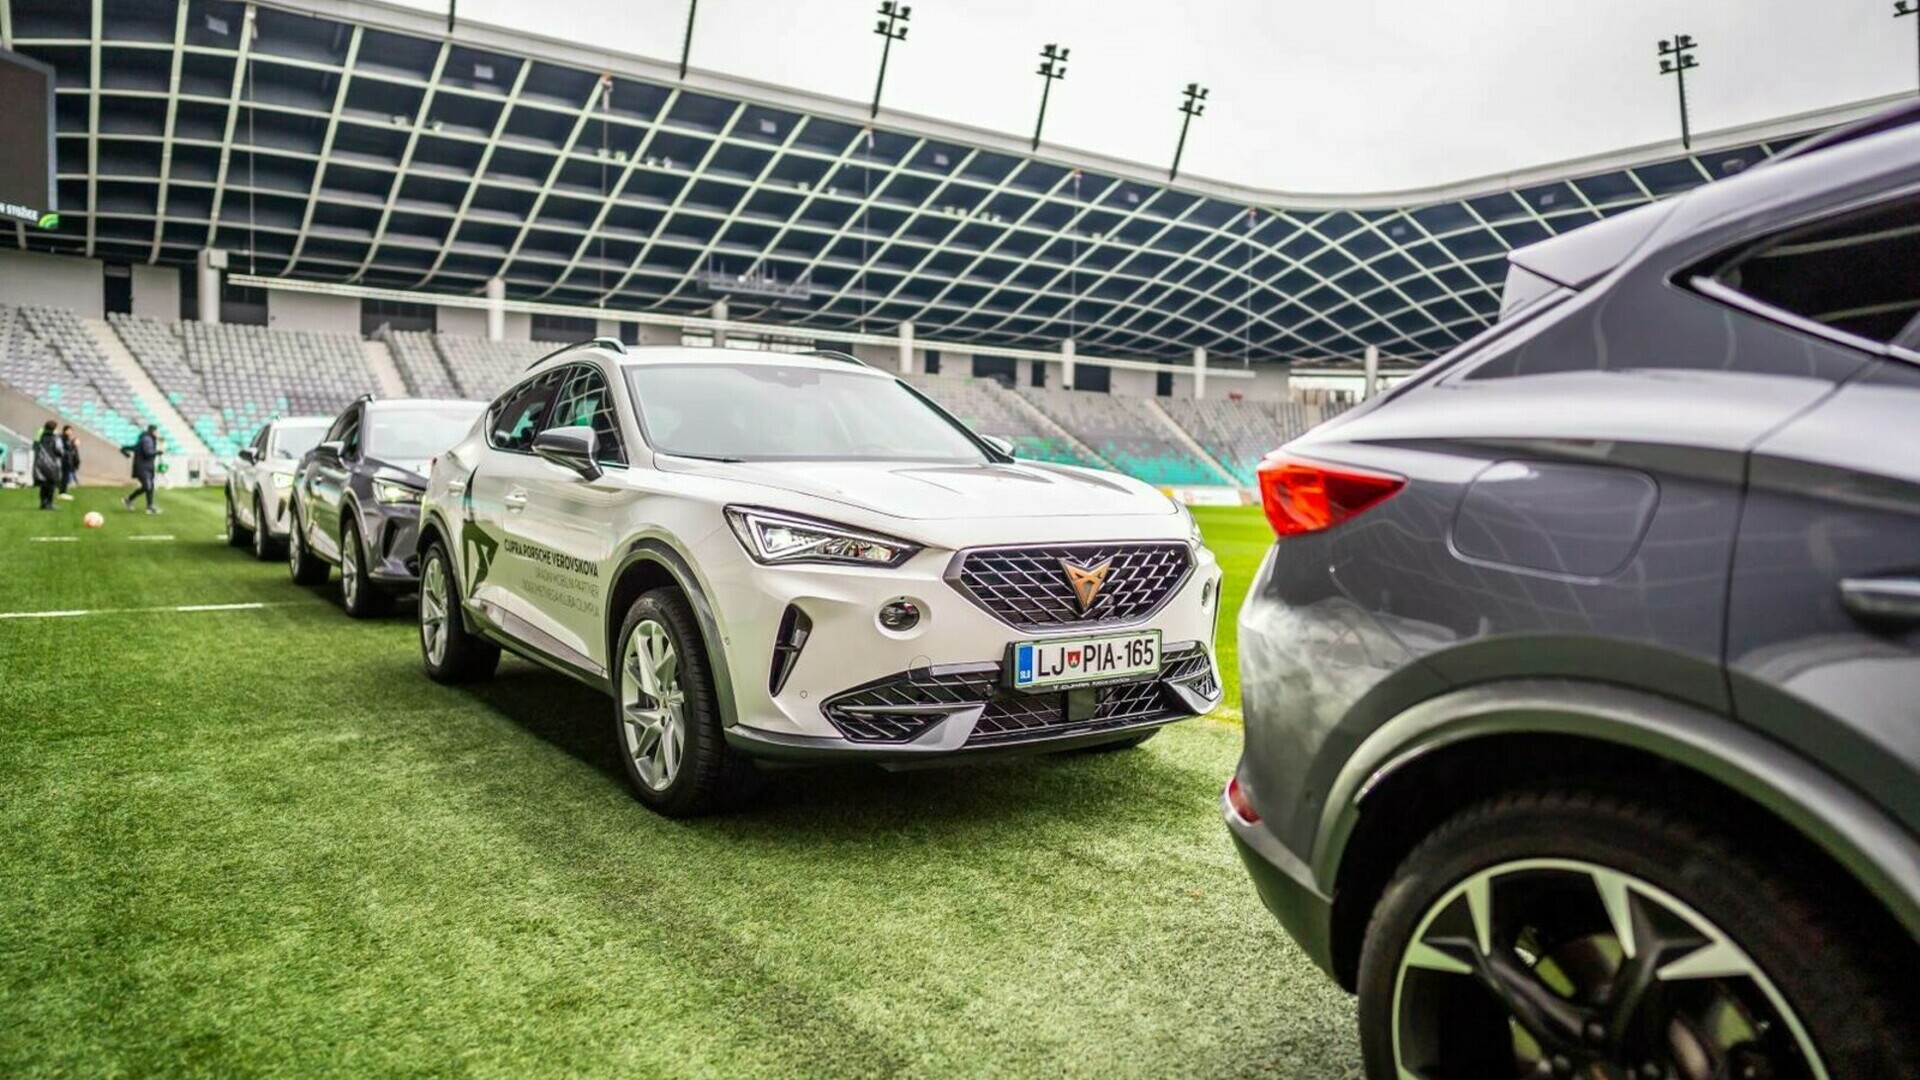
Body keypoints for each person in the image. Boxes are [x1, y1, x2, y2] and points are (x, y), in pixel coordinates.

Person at [121, 424, 162, 515]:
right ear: (153, 431)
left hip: (146, 467)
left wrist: (124, 450)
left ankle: (129, 500)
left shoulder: (146, 439)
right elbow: (147, 453)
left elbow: (134, 448)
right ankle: (150, 507)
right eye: (157, 431)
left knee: (147, 486)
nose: (158, 433)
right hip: (143, 467)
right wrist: (158, 452)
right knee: (148, 486)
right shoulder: (147, 440)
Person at [32, 421, 62, 511]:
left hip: (40, 463)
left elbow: (34, 447)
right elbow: (59, 450)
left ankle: (43, 502)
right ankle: (49, 503)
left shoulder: (40, 437)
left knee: (43, 484)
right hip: (51, 463)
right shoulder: (56, 438)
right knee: (51, 484)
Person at [57, 424, 80, 500]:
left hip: (68, 461)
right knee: (64, 477)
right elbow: (65, 450)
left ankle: (64, 492)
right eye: (69, 430)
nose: (70, 432)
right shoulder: (62, 439)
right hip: (64, 460)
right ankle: (62, 492)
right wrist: (74, 445)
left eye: (71, 430)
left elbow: (71, 451)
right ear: (65, 431)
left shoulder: (68, 439)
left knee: (66, 477)